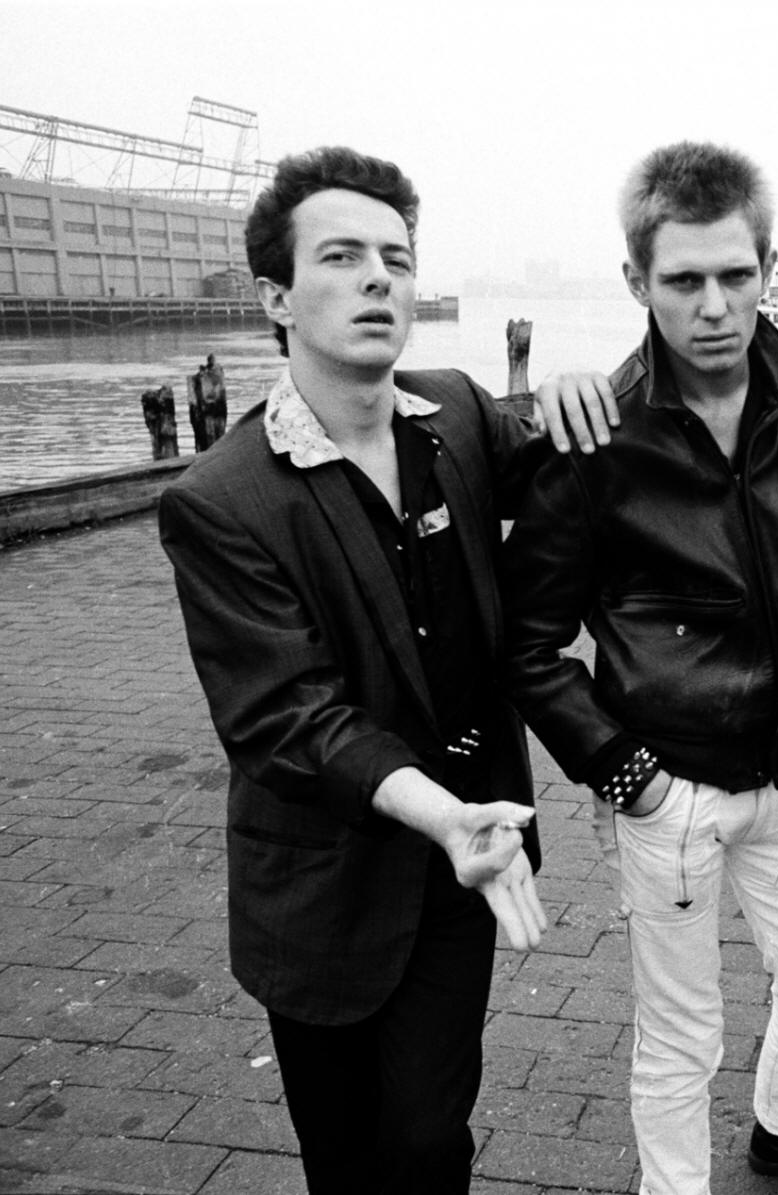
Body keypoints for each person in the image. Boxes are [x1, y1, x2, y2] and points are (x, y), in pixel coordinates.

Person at [500, 141, 778, 1195]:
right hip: (666, 789)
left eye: (736, 274)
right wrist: (626, 774)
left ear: (769, 267)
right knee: (683, 1038)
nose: (715, 306)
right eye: (684, 280)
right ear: (637, 280)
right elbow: (527, 643)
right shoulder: (597, 435)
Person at [158, 146, 548, 1194]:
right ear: (276, 296)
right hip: (322, 890)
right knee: (344, 1157)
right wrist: (439, 813)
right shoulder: (223, 500)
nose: (379, 277)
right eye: (341, 256)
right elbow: (287, 716)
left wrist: (586, 397)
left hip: (468, 860)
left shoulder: (457, 415)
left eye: (397, 258)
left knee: (427, 1139)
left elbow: (580, 478)